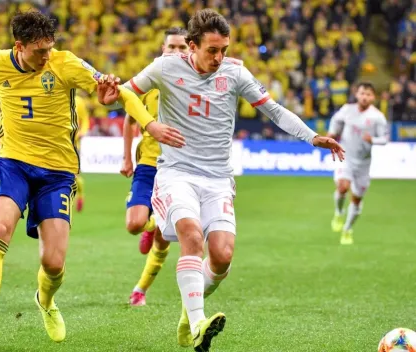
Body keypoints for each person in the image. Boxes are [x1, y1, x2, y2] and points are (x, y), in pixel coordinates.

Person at [103, 8, 344, 352]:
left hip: (218, 178)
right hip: (177, 173)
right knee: (191, 233)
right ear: (191, 45)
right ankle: (201, 322)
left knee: (222, 255)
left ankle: (189, 318)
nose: (219, 57)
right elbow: (125, 93)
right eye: (212, 50)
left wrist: (312, 136)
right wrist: (147, 122)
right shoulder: (165, 67)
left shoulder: (235, 73)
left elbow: (273, 110)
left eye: (224, 50)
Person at [0, 10, 184, 350]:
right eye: (39, 51)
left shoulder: (65, 63)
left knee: (53, 262)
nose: (47, 55)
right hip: (14, 164)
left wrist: (146, 124)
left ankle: (45, 301)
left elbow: (118, 93)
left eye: (50, 48)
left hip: (57, 173)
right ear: (19, 47)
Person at [120, 27, 189, 307]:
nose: (176, 52)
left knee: (164, 241)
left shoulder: (196, 85)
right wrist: (126, 158)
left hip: (179, 168)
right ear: (163, 49)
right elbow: (129, 120)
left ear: (191, 50)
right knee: (135, 224)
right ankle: (151, 223)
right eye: (171, 47)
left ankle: (140, 290)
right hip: (148, 165)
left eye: (182, 47)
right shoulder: (149, 83)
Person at [328, 82, 387, 245]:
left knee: (356, 200)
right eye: (362, 93)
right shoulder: (347, 110)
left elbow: (385, 139)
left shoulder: (377, 117)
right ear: (357, 94)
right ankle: (339, 212)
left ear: (373, 97)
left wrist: (373, 139)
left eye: (368, 94)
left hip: (363, 164)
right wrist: (331, 134)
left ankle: (347, 229)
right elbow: (335, 121)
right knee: (342, 187)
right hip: (345, 157)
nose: (365, 97)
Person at [75, 93, 90, 212]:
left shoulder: (78, 101)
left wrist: (82, 132)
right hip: (57, 144)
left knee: (74, 175)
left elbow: (85, 119)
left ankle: (80, 196)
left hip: (74, 144)